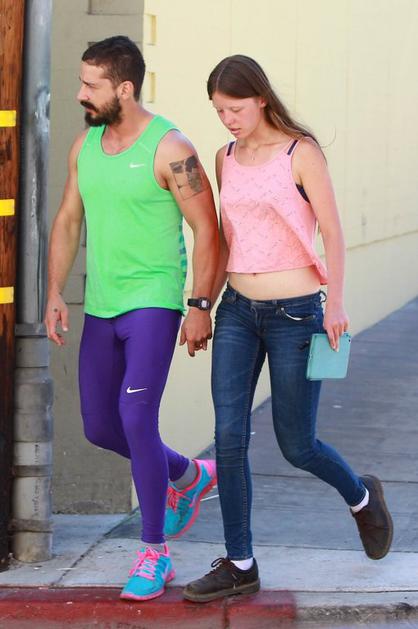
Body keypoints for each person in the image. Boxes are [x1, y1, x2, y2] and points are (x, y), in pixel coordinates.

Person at [182, 55, 393, 603]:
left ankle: (361, 497)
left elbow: (333, 233)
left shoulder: (302, 153)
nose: (227, 119)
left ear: (260, 98)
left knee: (297, 445)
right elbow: (225, 238)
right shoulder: (225, 157)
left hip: (297, 314)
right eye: (219, 111)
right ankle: (240, 562)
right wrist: (201, 304)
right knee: (229, 436)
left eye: (235, 108)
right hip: (237, 311)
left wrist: (336, 303)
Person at [44, 36, 219, 602]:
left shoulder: (171, 148)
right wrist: (55, 292)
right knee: (100, 425)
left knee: (135, 415)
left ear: (124, 88)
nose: (80, 93)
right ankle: (188, 475)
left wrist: (199, 304)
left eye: (90, 85)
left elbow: (208, 229)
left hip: (154, 301)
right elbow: (68, 220)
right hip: (102, 304)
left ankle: (153, 553)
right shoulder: (85, 147)